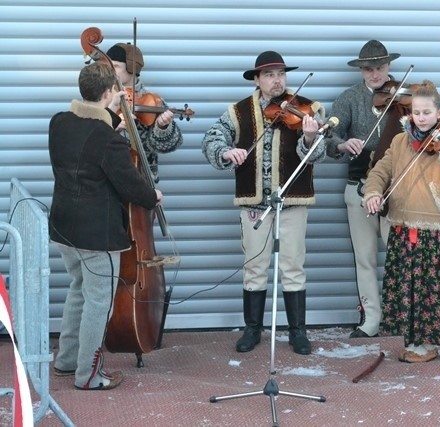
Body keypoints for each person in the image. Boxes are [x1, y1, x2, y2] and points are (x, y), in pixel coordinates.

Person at [201, 51, 327, 355]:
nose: (277, 80)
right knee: (255, 266)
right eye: (269, 75)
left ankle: (297, 332)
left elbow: (320, 154)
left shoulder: (308, 108)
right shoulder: (238, 111)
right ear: (257, 79)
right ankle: (252, 329)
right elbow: (211, 139)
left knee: (293, 265)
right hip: (255, 201)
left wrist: (310, 139)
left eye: (281, 74)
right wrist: (225, 152)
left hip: (293, 199)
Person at [49, 61, 163, 390]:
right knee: (100, 302)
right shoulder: (108, 140)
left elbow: (89, 137)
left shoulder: (59, 122)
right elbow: (132, 187)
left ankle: (67, 360)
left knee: (78, 291)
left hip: (64, 229)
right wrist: (152, 195)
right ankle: (88, 375)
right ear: (110, 92)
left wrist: (111, 116)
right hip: (97, 236)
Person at [362, 80, 440, 362]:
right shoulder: (400, 141)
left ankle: (427, 342)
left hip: (434, 227)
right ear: (409, 113)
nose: (421, 117)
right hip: (402, 225)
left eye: (427, 112)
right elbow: (380, 171)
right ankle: (413, 340)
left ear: (438, 113)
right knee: (406, 288)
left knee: (428, 288)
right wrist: (373, 193)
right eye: (417, 112)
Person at [325, 40, 407, 338]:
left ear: (389, 67)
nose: (375, 74)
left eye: (381, 68)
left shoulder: (403, 96)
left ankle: (401, 316)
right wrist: (342, 144)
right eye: (370, 69)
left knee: (400, 255)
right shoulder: (348, 99)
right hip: (358, 186)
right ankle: (371, 318)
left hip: (396, 188)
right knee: (365, 257)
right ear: (361, 70)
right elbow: (329, 135)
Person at [106, 42, 183, 183]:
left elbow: (172, 145)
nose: (110, 71)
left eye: (116, 66)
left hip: (142, 179)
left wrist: (162, 128)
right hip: (106, 180)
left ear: (132, 68)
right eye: (108, 65)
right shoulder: (103, 97)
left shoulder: (151, 100)